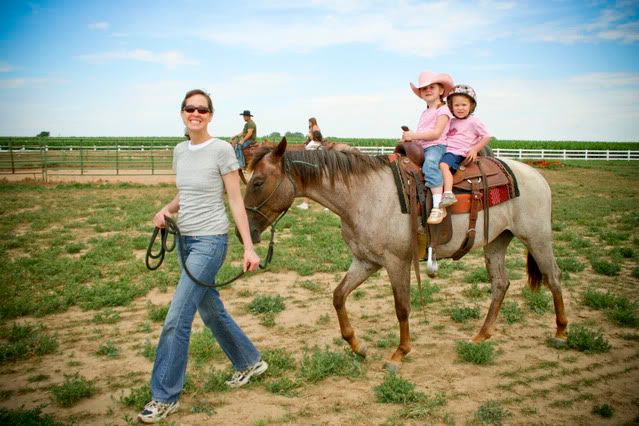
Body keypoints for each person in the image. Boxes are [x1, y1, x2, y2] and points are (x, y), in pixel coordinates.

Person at [138, 90, 267, 424]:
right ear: (182, 112)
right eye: (190, 108)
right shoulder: (180, 151)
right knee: (209, 310)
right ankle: (249, 361)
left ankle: (164, 397)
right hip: (186, 241)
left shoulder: (222, 150)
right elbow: (186, 193)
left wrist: (248, 246)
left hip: (210, 242)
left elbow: (235, 199)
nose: (195, 113)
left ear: (210, 115)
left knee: (177, 317)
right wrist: (166, 209)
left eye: (202, 109)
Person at [402, 70, 454, 224]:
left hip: (436, 146)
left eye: (432, 87)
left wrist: (413, 136)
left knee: (430, 164)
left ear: (441, 90)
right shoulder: (425, 112)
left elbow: (436, 133)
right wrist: (409, 139)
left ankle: (438, 206)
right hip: (423, 147)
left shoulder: (443, 110)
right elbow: (422, 134)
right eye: (424, 88)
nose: (428, 90)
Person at [438, 85, 491, 209]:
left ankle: (448, 193)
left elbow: (486, 136)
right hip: (447, 150)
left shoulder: (474, 121)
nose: (460, 108)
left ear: (471, 106)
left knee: (443, 165)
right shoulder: (451, 121)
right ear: (451, 106)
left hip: (458, 152)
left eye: (464, 105)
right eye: (456, 105)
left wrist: (474, 149)